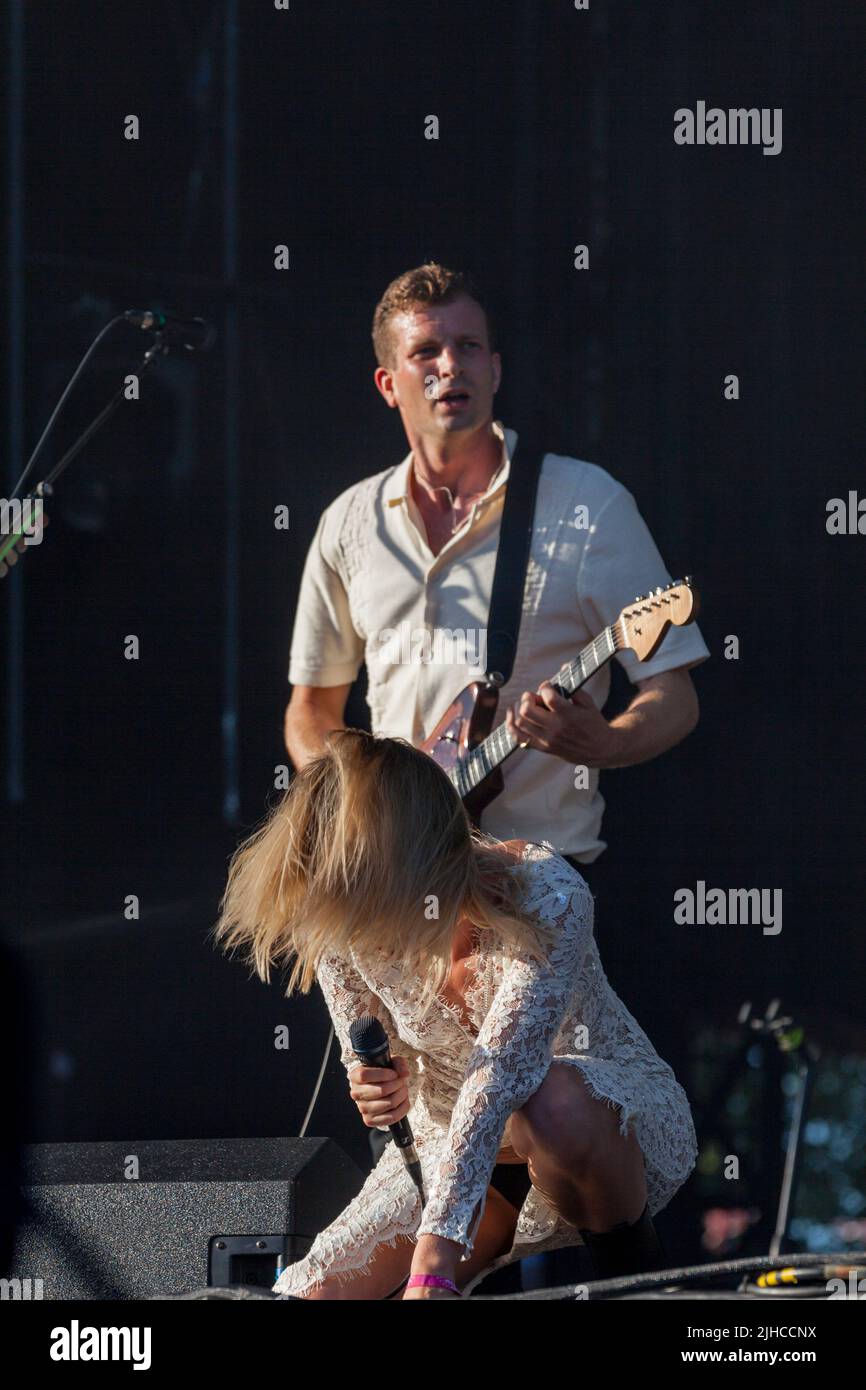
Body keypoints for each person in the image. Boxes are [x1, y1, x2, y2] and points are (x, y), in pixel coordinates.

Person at [213, 730, 698, 1300]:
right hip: (448, 1149)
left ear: (414, 860)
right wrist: (374, 1087)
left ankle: (639, 1289)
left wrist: (434, 1259)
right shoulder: (344, 925)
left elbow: (500, 1079)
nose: (357, 925)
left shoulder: (547, 892)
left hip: (593, 1125)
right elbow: (370, 1061)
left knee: (550, 1103)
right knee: (307, 1293)